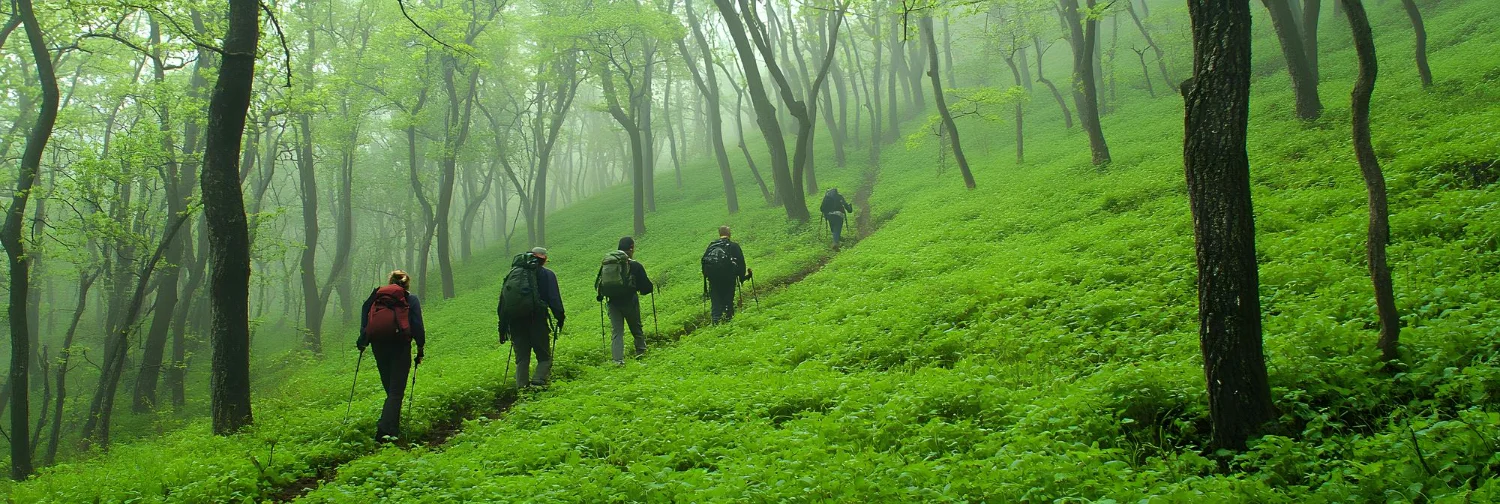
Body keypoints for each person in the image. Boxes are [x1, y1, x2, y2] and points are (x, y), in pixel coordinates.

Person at [357, 270, 426, 442]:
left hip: (378, 346)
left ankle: (393, 428)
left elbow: (365, 314)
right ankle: (384, 431)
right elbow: (417, 324)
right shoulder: (410, 299)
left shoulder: (376, 298)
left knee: (391, 389)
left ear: (390, 281)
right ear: (407, 284)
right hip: (400, 346)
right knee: (396, 391)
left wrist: (363, 339)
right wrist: (420, 347)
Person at [497, 247, 565, 388]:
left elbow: (503, 300)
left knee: (522, 358)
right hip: (537, 319)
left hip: (515, 321)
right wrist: (560, 317)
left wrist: (503, 326)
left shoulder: (513, 274)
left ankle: (522, 389)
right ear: (544, 259)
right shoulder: (547, 274)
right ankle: (538, 381)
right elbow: (554, 298)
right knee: (544, 357)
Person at [595, 237, 654, 365]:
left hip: (612, 303)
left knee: (617, 332)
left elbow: (599, 285)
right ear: (631, 248)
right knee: (636, 328)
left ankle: (617, 361)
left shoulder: (608, 264)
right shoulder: (634, 265)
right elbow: (646, 287)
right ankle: (641, 353)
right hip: (629, 301)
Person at [701, 226, 751, 324]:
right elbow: (741, 263)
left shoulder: (712, 245)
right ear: (729, 233)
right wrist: (742, 277)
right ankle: (728, 323)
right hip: (729, 279)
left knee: (716, 305)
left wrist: (708, 276)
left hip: (713, 280)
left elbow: (704, 262)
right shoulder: (734, 246)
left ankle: (716, 324)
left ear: (720, 234)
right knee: (728, 303)